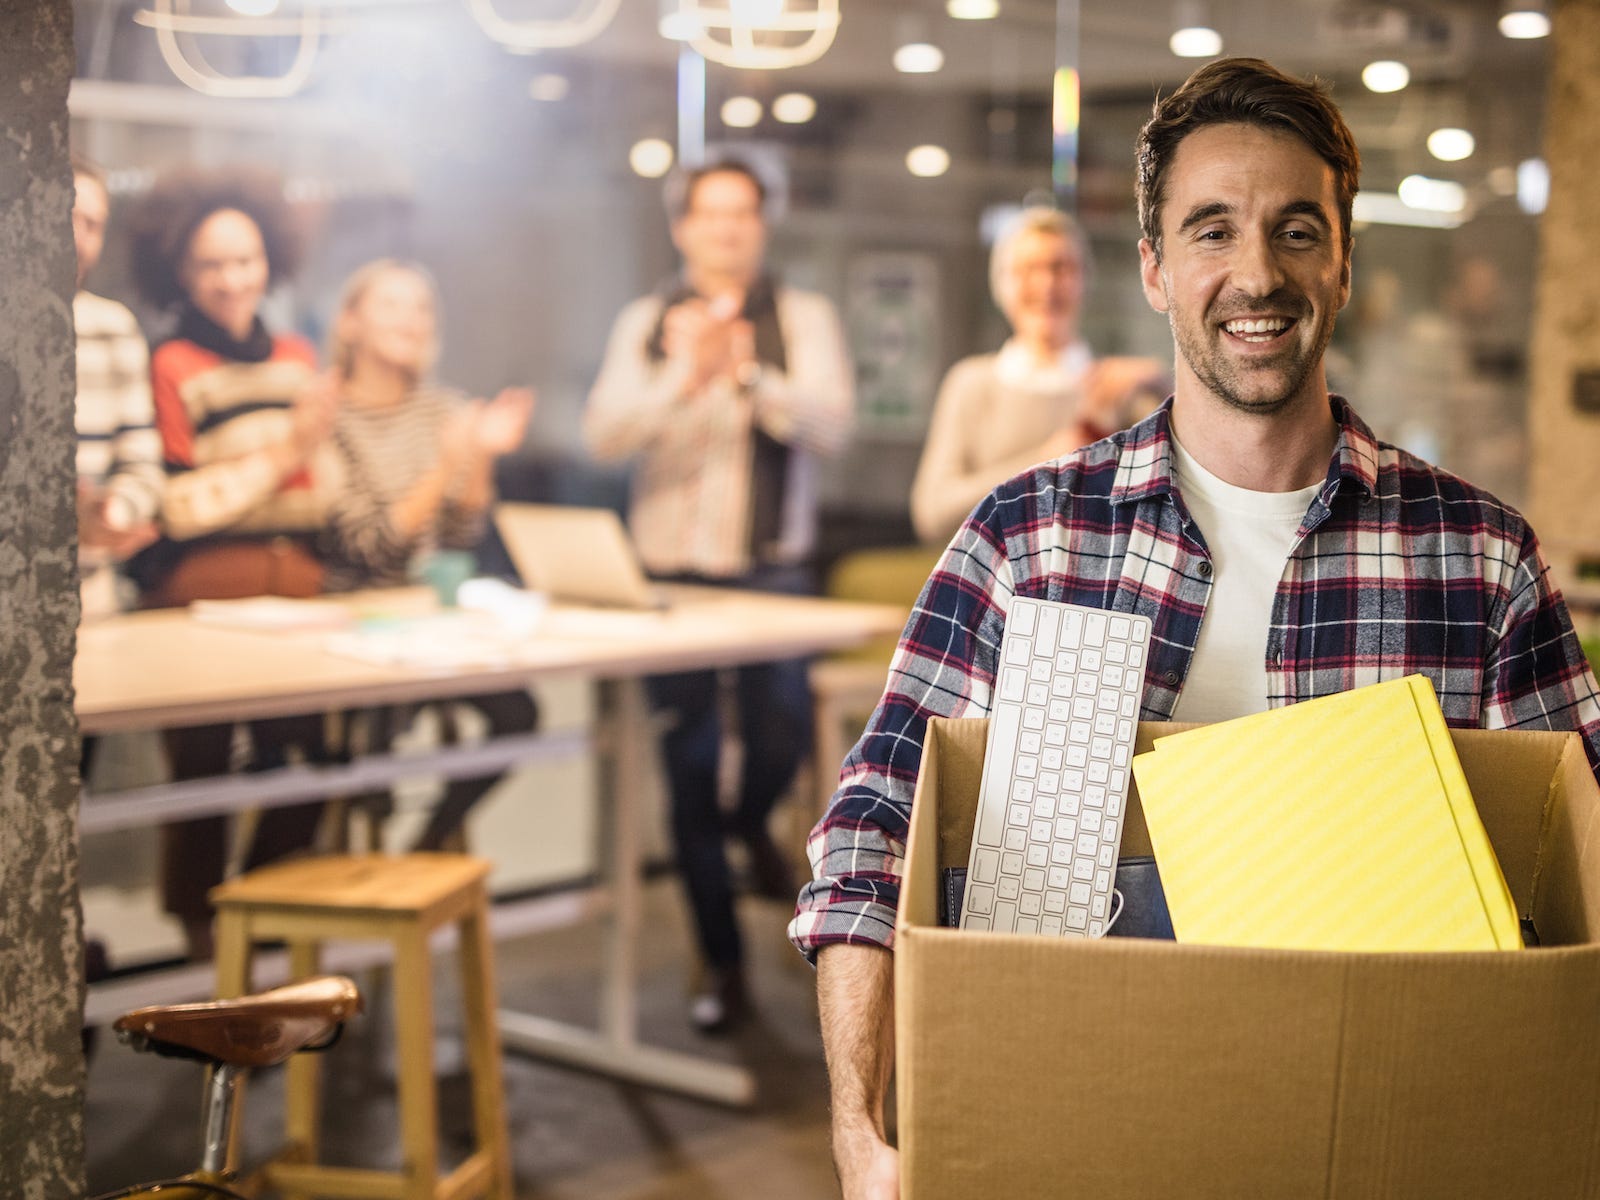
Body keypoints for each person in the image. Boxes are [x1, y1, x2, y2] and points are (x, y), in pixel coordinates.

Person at [790, 57, 1600, 1199]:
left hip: (1381, 1135)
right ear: (1155, 270)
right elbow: (872, 833)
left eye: (1296, 230)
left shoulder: (1477, 561)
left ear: (1346, 262)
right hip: (1067, 1119)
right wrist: (856, 1132)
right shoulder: (1028, 540)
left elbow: (1579, 864)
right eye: (1211, 231)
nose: (1255, 274)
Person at [586, 156, 855, 1032]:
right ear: (683, 227)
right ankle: (722, 966)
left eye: (743, 214)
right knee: (690, 768)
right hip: (669, 577)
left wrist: (747, 376)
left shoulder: (801, 317)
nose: (727, 230)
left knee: (779, 732)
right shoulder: (645, 319)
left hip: (772, 570)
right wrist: (681, 375)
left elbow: (835, 425)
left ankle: (755, 826)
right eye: (711, 215)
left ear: (763, 226)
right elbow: (603, 435)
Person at [127, 166, 340, 957]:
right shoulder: (172, 362)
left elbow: (317, 491)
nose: (230, 278)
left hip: (302, 591)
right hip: (203, 597)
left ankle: (260, 908)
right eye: (210, 263)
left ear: (270, 260)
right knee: (202, 769)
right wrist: (284, 452)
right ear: (179, 270)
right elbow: (179, 506)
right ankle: (199, 933)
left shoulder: (296, 353)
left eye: (244, 259)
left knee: (312, 761)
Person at [322, 258, 538, 850]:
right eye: (391, 305)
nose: (411, 321)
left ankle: (426, 846)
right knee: (361, 749)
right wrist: (447, 464)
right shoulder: (328, 414)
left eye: (421, 307)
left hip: (428, 616)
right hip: (356, 619)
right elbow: (371, 547)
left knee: (518, 714)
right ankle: (368, 817)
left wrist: (483, 457)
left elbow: (462, 536)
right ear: (349, 322)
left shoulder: (444, 408)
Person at [909, 206, 1167, 544]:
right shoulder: (971, 383)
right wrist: (1044, 463)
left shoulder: (1116, 389)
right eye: (1029, 269)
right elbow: (933, 516)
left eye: (1061, 268)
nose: (1047, 284)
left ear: (1084, 280)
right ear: (1002, 284)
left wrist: (1164, 383)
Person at [71, 156, 163, 622]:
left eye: (94, 224)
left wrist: (114, 516)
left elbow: (142, 465)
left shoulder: (112, 326)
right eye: (67, 216)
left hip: (88, 601)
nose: (80, 238)